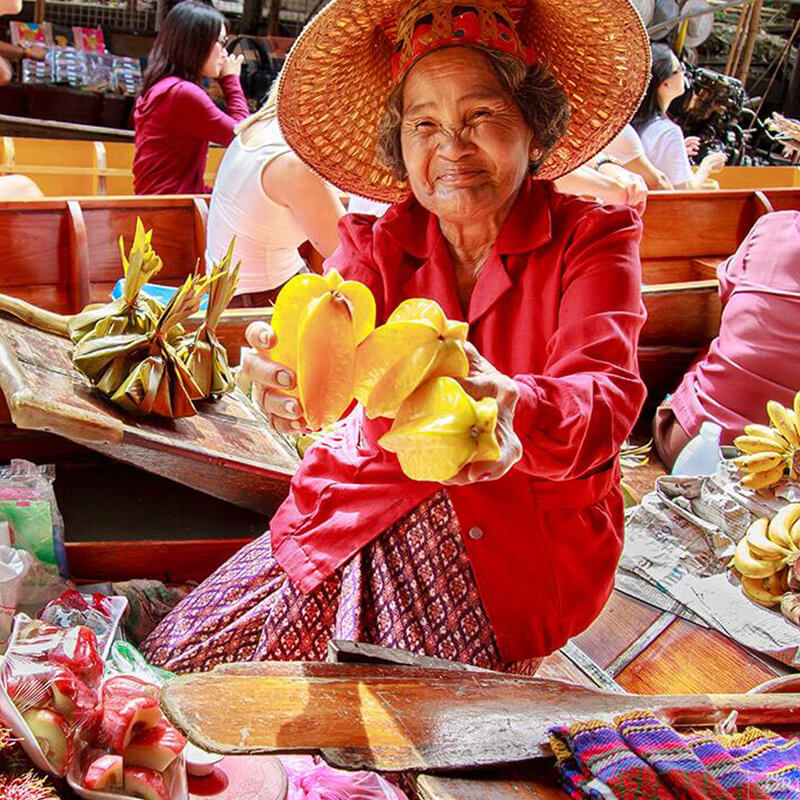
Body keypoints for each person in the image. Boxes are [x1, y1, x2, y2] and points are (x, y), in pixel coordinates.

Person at [141, 0, 649, 673]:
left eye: (482, 116)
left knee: (390, 740)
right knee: (179, 664)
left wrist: (515, 407)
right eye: (425, 124)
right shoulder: (377, 243)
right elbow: (325, 374)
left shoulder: (593, 240)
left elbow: (606, 397)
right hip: (356, 503)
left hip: (515, 548)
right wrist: (281, 379)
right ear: (400, 143)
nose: (451, 147)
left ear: (535, 127)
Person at [654, 211, 800, 468]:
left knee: (717, 345)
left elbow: (728, 292)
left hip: (689, 442)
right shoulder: (774, 225)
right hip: (706, 450)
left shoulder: (774, 226)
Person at [205, 88, 346, 308]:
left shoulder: (258, 127)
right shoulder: (294, 165)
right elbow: (347, 253)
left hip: (231, 292)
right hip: (259, 303)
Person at [133, 0, 248, 195]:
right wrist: (231, 81)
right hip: (171, 214)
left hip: (160, 208)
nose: (225, 52)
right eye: (221, 42)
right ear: (196, 44)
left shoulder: (162, 87)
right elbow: (243, 137)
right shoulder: (182, 93)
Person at [632, 43, 726, 190]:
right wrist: (706, 167)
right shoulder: (668, 131)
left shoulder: (633, 123)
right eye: (679, 69)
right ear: (665, 84)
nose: (684, 73)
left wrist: (678, 150)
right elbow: (685, 191)